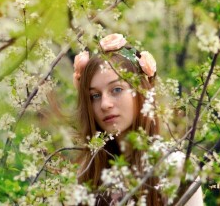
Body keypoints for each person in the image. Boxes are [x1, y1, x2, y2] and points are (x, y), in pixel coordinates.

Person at [73, 33, 203, 205]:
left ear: (141, 90)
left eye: (116, 90)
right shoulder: (87, 174)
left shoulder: (174, 166)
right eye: (95, 95)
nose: (105, 104)